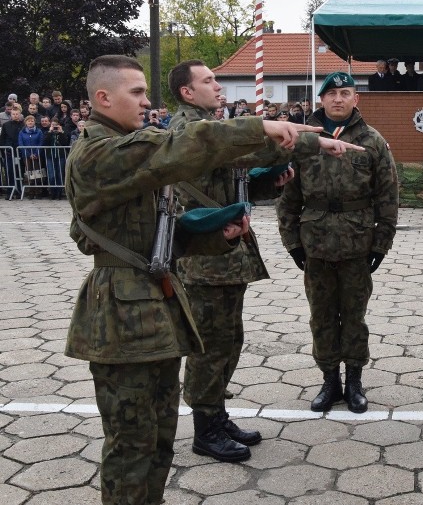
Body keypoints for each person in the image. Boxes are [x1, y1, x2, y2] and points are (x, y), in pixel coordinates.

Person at [64, 54, 357, 505]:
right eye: (137, 93)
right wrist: (260, 126)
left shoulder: (129, 144)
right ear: (103, 97)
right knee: (131, 445)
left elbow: (155, 234)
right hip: (121, 316)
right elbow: (181, 149)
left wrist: (209, 235)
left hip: (151, 304)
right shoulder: (98, 152)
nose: (147, 102)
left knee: (158, 437)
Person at [167, 59, 353, 463]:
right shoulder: (188, 128)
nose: (218, 86)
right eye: (209, 80)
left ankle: (216, 414)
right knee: (210, 347)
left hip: (225, 256)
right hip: (204, 260)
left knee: (228, 341)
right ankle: (206, 430)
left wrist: (268, 181)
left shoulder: (207, 127)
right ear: (186, 92)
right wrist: (312, 141)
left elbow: (231, 174)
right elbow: (236, 145)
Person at [277, 71, 399, 415]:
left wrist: (381, 244)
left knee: (355, 316)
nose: (338, 99)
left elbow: (388, 195)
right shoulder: (303, 139)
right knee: (322, 315)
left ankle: (355, 380)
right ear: (321, 99)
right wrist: (292, 243)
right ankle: (330, 380)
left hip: (357, 242)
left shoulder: (372, 140)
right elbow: (287, 194)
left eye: (346, 93)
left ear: (356, 99)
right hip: (314, 242)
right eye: (331, 94)